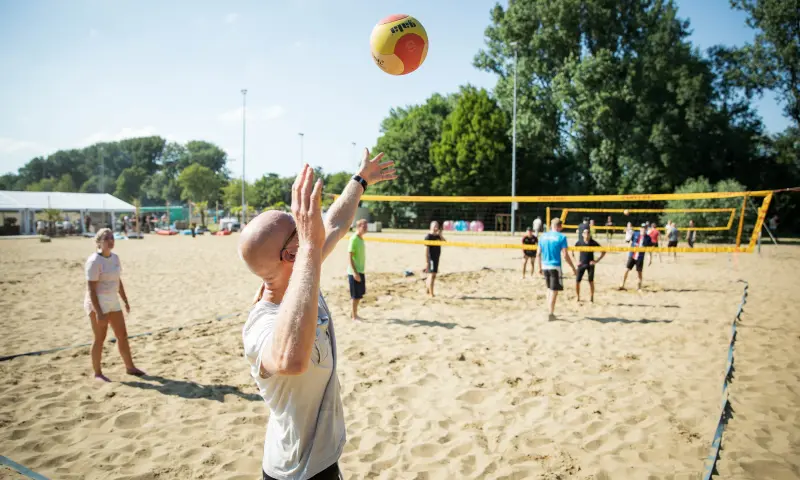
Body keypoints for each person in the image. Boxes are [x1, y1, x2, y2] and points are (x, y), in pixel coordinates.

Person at [239, 152, 396, 480]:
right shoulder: (261, 323)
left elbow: (336, 224)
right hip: (295, 472)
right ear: (290, 254)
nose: (310, 232)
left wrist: (360, 180)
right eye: (300, 231)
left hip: (323, 462)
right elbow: (290, 359)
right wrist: (310, 248)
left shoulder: (300, 275)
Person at [84, 228, 145, 382]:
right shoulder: (94, 261)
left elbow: (118, 281)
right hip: (98, 302)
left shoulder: (115, 258)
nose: (111, 241)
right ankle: (97, 373)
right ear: (99, 242)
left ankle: (130, 367)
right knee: (100, 338)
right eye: (106, 238)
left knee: (122, 335)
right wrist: (99, 312)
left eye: (112, 238)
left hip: (113, 301)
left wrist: (125, 300)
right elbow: (91, 289)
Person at [537, 218, 577, 320]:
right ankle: (551, 313)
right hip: (555, 265)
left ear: (551, 225)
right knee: (554, 290)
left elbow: (538, 254)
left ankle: (549, 310)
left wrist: (539, 267)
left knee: (549, 288)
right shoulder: (561, 237)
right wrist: (573, 268)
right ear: (560, 226)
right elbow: (565, 255)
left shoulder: (543, 236)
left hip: (545, 265)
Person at [573, 228, 605, 302]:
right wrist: (576, 261)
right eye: (585, 233)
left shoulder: (593, 242)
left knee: (591, 281)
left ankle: (591, 297)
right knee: (577, 281)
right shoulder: (579, 242)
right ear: (582, 234)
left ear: (590, 234)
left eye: (588, 233)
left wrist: (596, 261)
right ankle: (577, 297)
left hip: (590, 265)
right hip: (581, 264)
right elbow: (572, 251)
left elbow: (603, 251)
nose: (586, 234)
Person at [620, 223, 653, 291]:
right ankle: (622, 285)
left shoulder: (648, 238)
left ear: (646, 229)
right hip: (632, 255)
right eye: (642, 228)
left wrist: (650, 258)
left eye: (645, 228)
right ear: (640, 228)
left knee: (639, 273)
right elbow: (630, 242)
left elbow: (649, 249)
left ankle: (639, 287)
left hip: (640, 257)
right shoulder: (635, 234)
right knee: (626, 270)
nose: (643, 229)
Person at [348, 219, 368, 321]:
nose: (366, 228)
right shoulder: (354, 239)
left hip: (361, 270)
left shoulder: (361, 238)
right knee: (355, 296)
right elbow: (349, 257)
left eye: (366, 226)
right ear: (358, 227)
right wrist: (355, 273)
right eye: (364, 226)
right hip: (354, 272)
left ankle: (353, 313)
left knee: (359, 295)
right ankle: (354, 316)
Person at [424, 221, 446, 296]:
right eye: (434, 226)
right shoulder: (428, 237)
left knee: (433, 275)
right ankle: (431, 293)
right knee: (432, 275)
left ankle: (427, 289)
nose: (436, 227)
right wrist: (427, 261)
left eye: (437, 226)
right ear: (431, 227)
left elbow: (444, 242)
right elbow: (426, 250)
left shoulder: (437, 236)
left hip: (436, 258)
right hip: (431, 259)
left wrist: (440, 235)